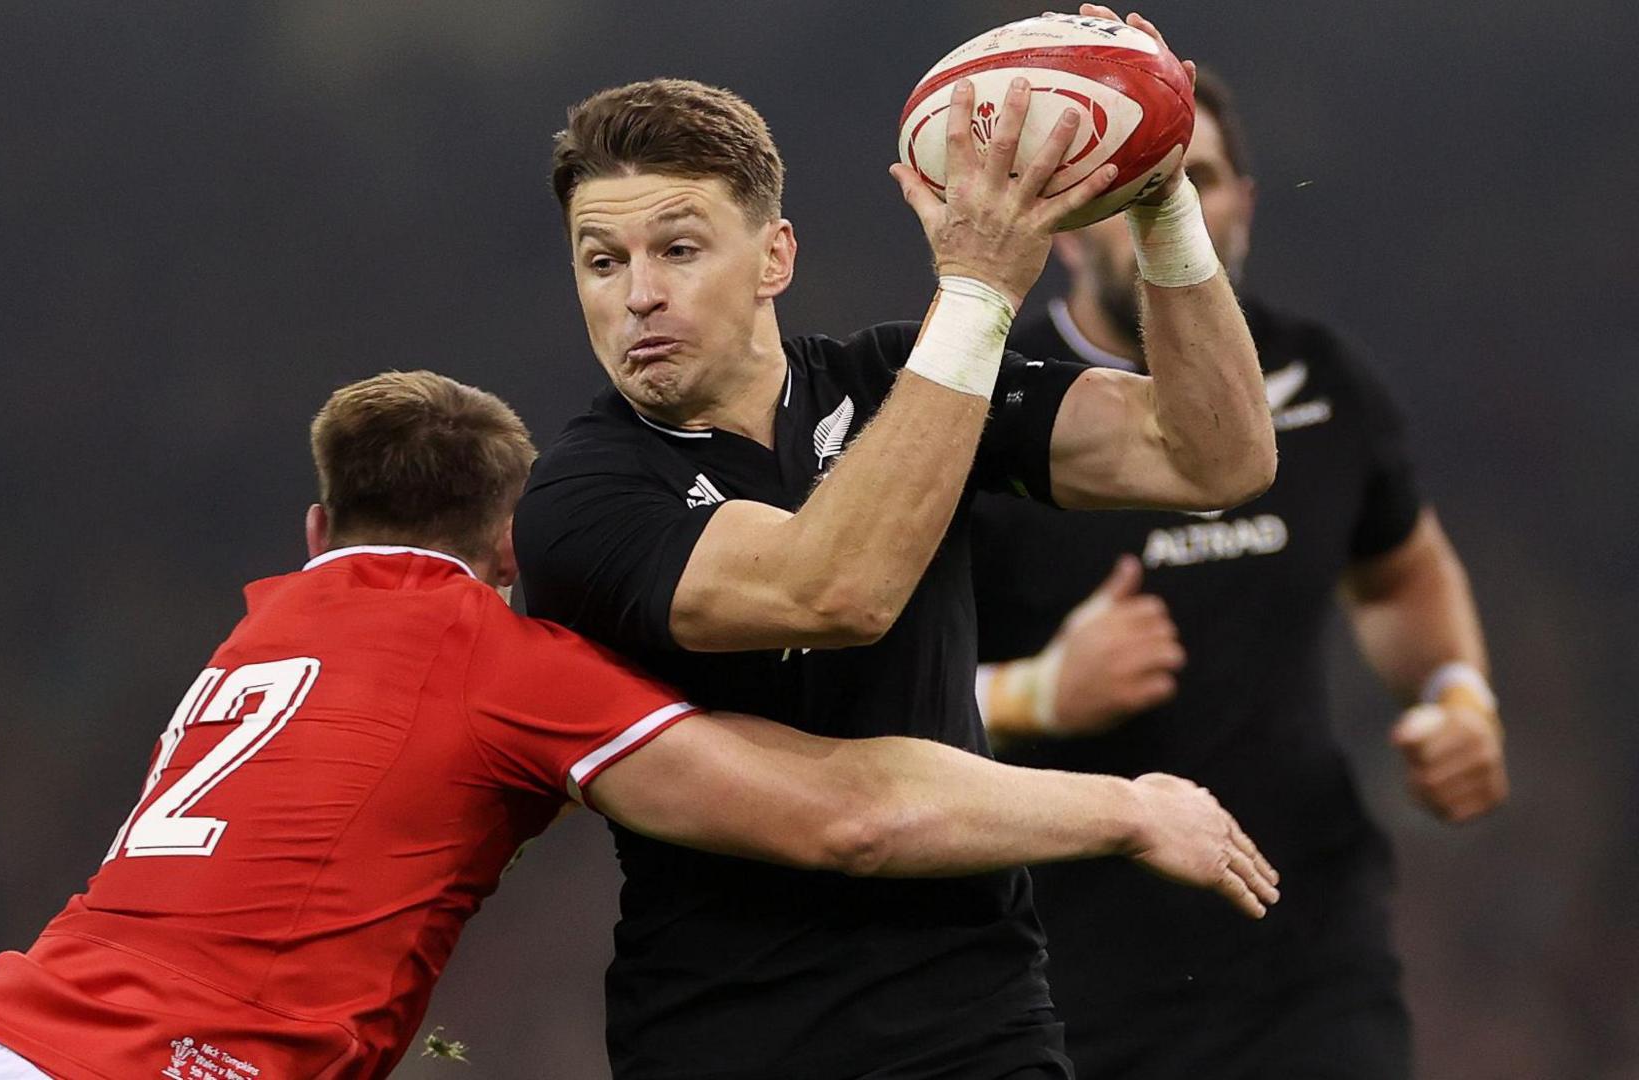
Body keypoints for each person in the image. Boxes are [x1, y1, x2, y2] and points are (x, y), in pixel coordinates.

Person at [0, 371, 1276, 1080]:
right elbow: (842, 812)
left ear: (317, 528)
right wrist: (1128, 804)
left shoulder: (266, 628)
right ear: (511, 541)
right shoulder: (496, 659)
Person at [514, 9, 1277, 1079]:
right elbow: (833, 590)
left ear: (774, 254)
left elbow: (1214, 457)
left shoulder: (892, 381)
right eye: (602, 261)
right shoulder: (580, 501)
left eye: (679, 249)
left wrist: (1163, 206)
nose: (638, 293)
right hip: (730, 1041)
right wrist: (974, 294)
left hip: (980, 1028)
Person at [966, 67, 1508, 1080]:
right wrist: (1037, 693)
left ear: (1243, 204)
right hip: (1063, 980)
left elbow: (1400, 575)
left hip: (1312, 960)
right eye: (1132, 186)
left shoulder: (1323, 380)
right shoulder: (988, 413)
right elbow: (868, 704)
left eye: (1194, 179)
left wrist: (1458, 696)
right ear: (1071, 226)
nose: (1174, 209)